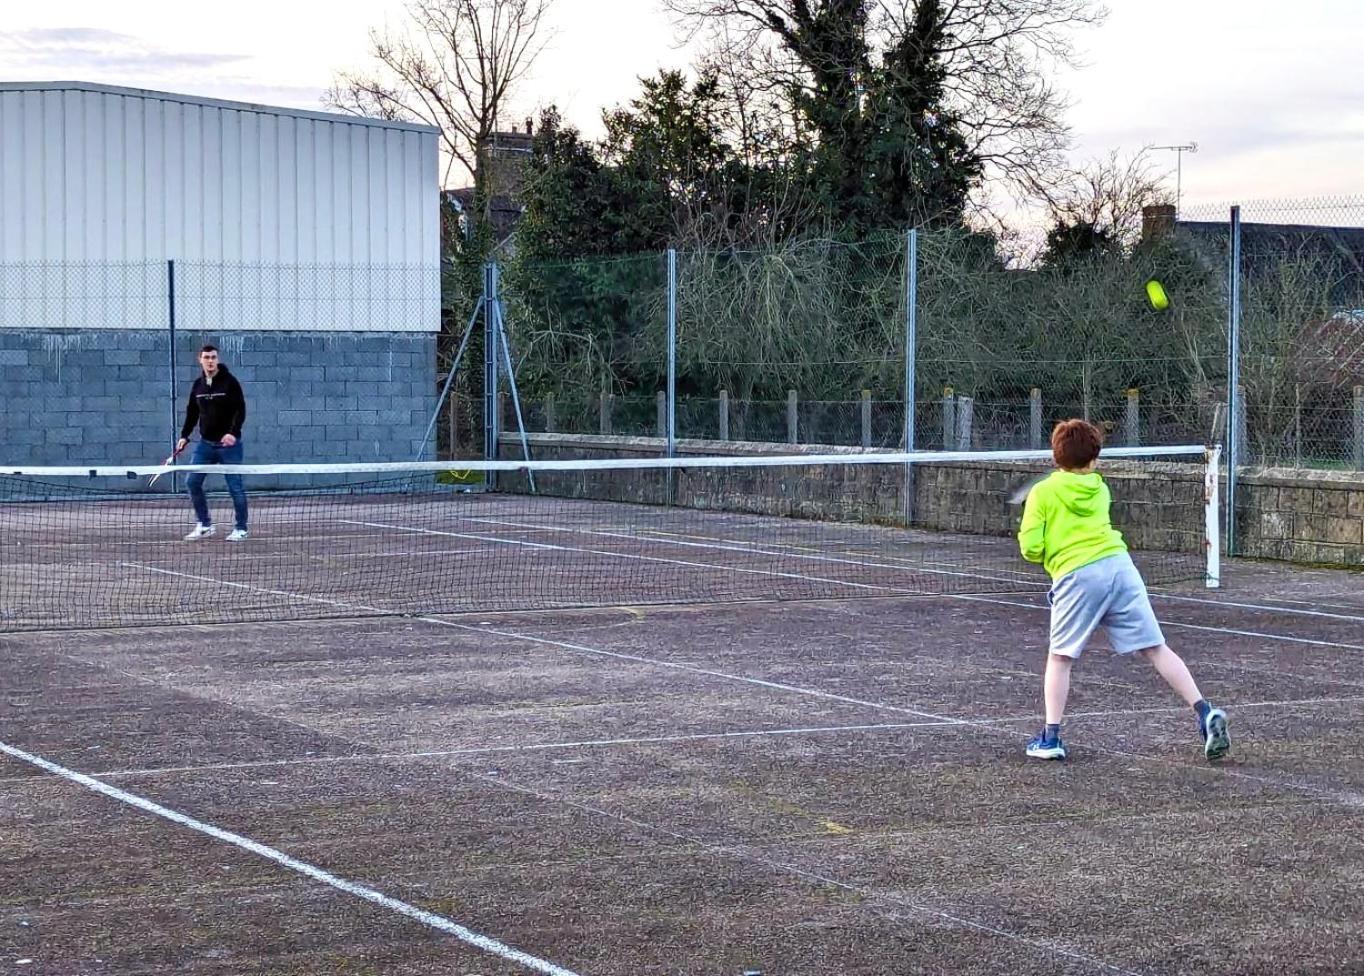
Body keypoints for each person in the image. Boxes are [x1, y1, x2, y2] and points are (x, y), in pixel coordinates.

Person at [1017, 419, 1229, 762]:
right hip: (1120, 567)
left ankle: (1050, 737)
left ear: (1057, 456)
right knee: (1156, 648)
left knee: (1060, 658)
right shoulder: (1100, 488)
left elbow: (1030, 547)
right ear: (1094, 459)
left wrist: (1049, 555)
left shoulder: (1043, 492)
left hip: (1078, 574)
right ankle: (1204, 711)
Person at [177, 344, 249, 542]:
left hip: (229, 446)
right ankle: (205, 525)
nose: (210, 360)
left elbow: (240, 410)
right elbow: (192, 412)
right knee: (192, 482)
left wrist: (232, 433)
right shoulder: (197, 386)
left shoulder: (230, 382)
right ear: (200, 360)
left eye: (213, 357)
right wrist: (184, 436)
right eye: (207, 357)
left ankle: (241, 528)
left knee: (235, 487)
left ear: (217, 359)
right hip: (205, 445)